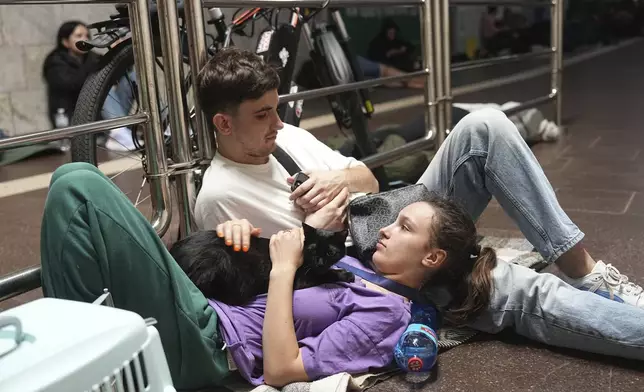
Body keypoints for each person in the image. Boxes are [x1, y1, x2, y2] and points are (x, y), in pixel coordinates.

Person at [40, 163, 644, 389]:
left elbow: (280, 369)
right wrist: (243, 247)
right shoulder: (357, 269)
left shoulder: (391, 314)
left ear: (432, 260)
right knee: (75, 199)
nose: (385, 228)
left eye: (404, 227)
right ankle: (82, 357)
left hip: (210, 344)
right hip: (203, 312)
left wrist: (282, 271)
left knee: (82, 186)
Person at [193, 47, 644, 310]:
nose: (277, 122)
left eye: (276, 108)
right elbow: (278, 284)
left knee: (483, 126)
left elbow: (369, 180)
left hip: (388, 215)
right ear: (224, 124)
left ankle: (582, 269)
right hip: (365, 267)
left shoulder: (287, 136)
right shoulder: (219, 196)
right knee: (511, 288)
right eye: (262, 114)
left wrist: (338, 182)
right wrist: (316, 230)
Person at [43, 21, 136, 152]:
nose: (85, 39)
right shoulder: (55, 61)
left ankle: (163, 123)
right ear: (65, 42)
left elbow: (121, 74)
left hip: (102, 116)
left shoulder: (92, 58)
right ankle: (119, 134)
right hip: (76, 116)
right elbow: (72, 84)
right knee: (100, 85)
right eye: (79, 36)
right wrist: (99, 68)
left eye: (87, 35)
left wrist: (120, 54)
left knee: (133, 76)